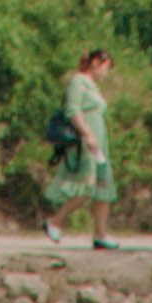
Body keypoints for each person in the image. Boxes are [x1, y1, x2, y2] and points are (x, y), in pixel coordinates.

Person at [47, 44, 117, 244]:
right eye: (105, 67)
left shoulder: (93, 86)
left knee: (104, 185)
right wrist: (87, 133)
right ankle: (55, 221)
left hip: (100, 142)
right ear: (96, 63)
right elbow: (72, 110)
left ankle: (100, 234)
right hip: (88, 141)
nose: (105, 73)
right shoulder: (78, 82)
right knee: (87, 185)